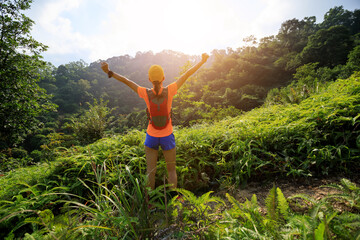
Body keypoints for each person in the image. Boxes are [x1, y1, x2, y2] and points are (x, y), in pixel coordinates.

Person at [101, 53, 209, 190]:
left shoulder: (145, 92)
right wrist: (202, 61)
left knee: (150, 171)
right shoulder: (170, 90)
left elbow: (127, 81)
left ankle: (150, 202)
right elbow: (186, 74)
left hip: (151, 136)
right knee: (171, 170)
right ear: (163, 78)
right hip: (167, 135)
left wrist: (109, 72)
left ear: (149, 79)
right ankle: (172, 198)